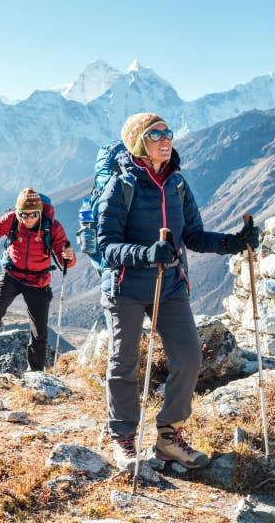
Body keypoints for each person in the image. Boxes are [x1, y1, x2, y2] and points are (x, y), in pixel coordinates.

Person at [97, 112, 259, 470]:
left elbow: (195, 237)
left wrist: (235, 242)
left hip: (169, 285)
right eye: (155, 134)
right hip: (125, 287)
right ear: (139, 144)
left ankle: (169, 437)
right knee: (123, 364)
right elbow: (107, 246)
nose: (165, 139)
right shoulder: (121, 186)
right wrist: (145, 253)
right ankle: (123, 439)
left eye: (167, 132)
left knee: (188, 358)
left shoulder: (177, 185)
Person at [0, 187, 76, 372]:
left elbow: (67, 261)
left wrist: (68, 256)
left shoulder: (52, 227)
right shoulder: (11, 220)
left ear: (40, 212)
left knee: (39, 330)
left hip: (38, 281)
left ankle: (35, 372)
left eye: (33, 214)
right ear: (17, 212)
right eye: (23, 214)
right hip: (11, 274)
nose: (27, 218)